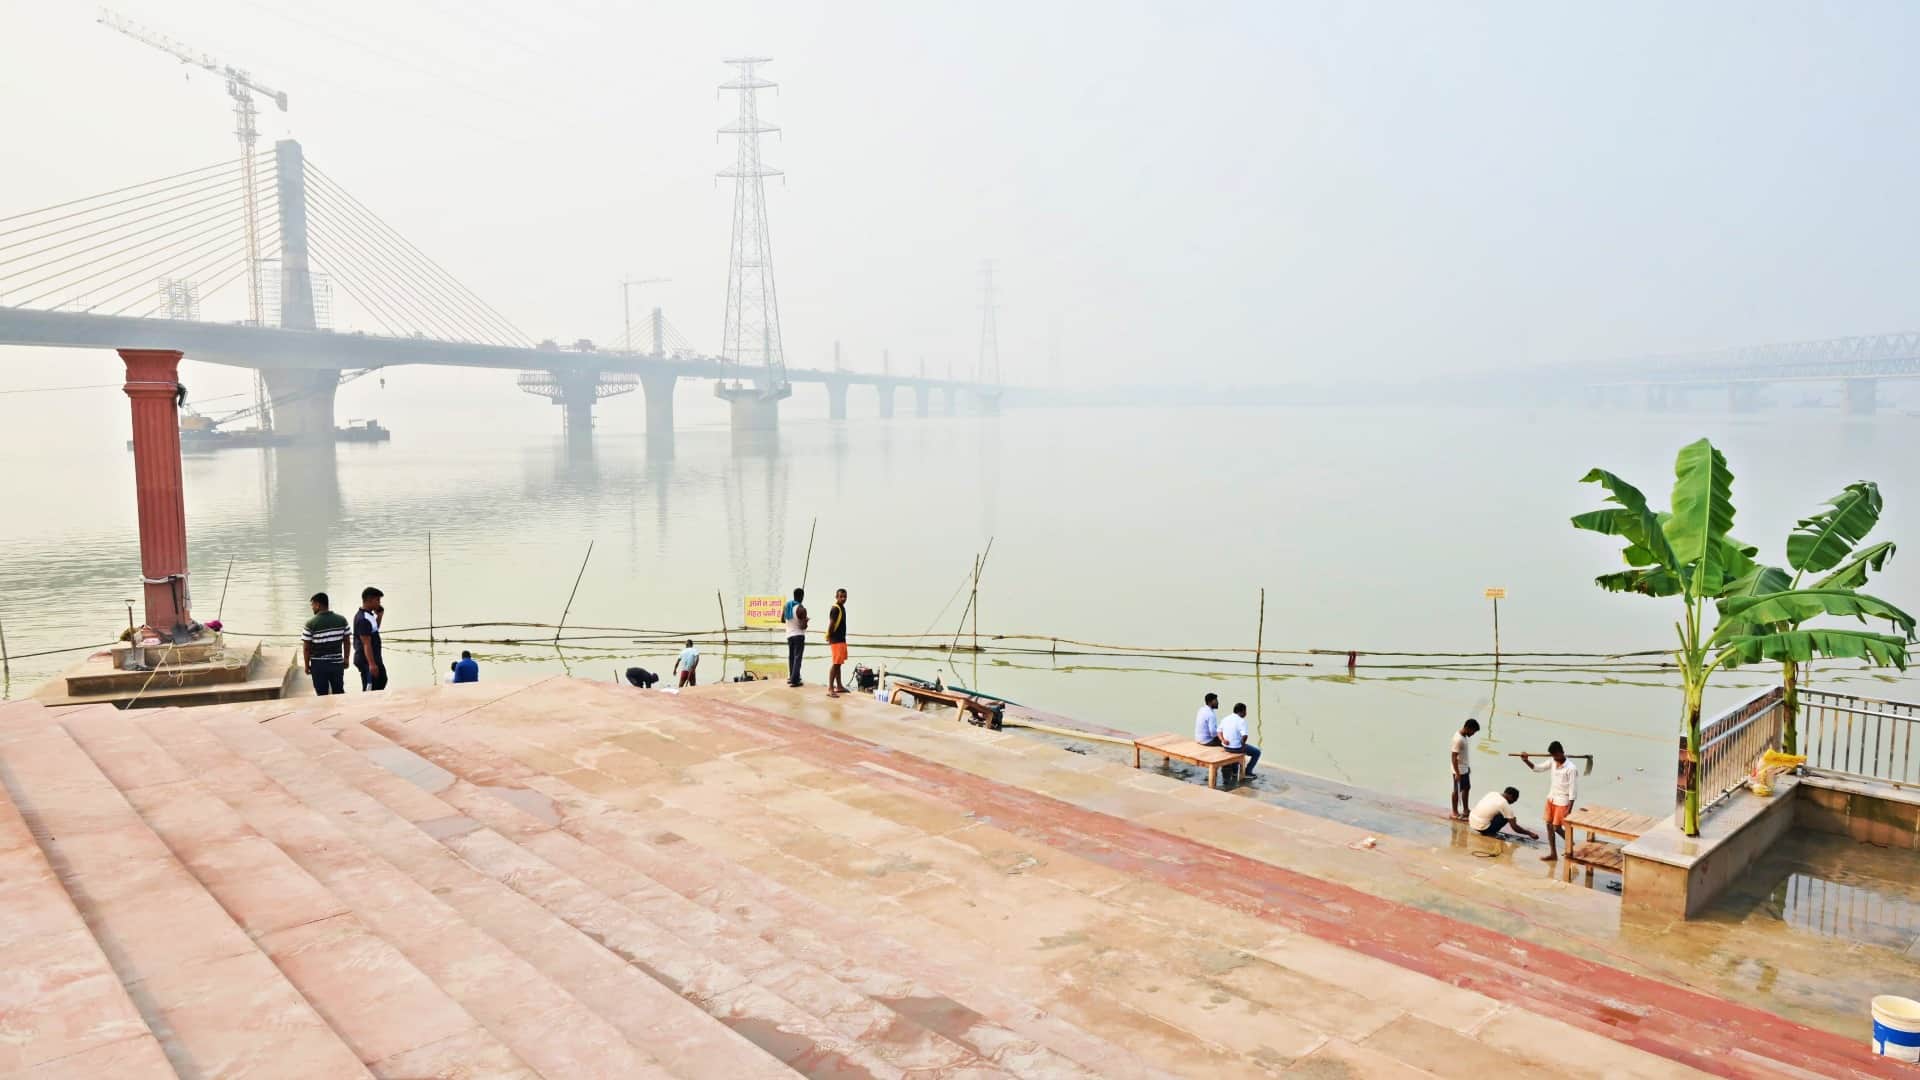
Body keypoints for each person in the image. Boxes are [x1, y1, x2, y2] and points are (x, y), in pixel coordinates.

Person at [1522, 741, 1580, 862]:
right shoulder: (1552, 762)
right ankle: (1553, 853)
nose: (1555, 758)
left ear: (1562, 752)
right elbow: (1537, 769)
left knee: (1557, 828)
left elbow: (1573, 790)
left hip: (1563, 801)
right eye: (1553, 756)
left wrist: (1569, 809)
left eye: (1556, 755)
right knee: (1549, 826)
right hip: (1551, 798)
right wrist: (1526, 761)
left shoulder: (1571, 768)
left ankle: (1573, 845)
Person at [301, 592, 350, 696]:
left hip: (318, 666)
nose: (312, 608)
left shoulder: (310, 624)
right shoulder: (342, 620)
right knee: (338, 692)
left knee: (321, 695)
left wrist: (306, 665)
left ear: (318, 605)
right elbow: (347, 642)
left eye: (313, 605)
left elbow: (306, 649)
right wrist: (346, 659)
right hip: (337, 663)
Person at [1468, 786, 1540, 841]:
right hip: (1481, 827)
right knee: (1506, 817)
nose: (1513, 803)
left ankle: (1487, 827)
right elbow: (1515, 828)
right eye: (1514, 800)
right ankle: (1490, 833)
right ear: (1511, 796)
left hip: (1471, 821)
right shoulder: (1504, 804)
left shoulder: (1492, 793)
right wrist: (1530, 833)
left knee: (1504, 814)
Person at [352, 586, 386, 692]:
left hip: (374, 657)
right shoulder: (363, 619)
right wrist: (372, 664)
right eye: (377, 600)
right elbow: (366, 643)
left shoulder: (369, 615)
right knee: (371, 688)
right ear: (369, 600)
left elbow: (374, 629)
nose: (379, 603)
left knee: (382, 680)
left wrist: (379, 616)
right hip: (366, 660)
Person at [1220, 702, 1261, 782]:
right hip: (1235, 748)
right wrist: (1242, 744)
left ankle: (1235, 772)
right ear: (1241, 711)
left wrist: (1223, 740)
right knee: (1257, 752)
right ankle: (1248, 772)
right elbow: (1245, 735)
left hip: (1225, 746)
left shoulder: (1226, 718)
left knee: (1237, 746)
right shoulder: (1241, 721)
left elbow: (1219, 731)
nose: (1246, 713)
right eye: (1245, 711)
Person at [1450, 718, 1481, 819]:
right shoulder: (1458, 739)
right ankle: (1454, 812)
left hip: (1464, 768)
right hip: (1459, 770)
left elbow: (1462, 755)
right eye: (1473, 731)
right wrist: (1457, 773)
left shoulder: (1463, 736)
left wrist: (1467, 767)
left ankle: (1466, 810)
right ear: (1468, 728)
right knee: (1456, 791)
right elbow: (1454, 757)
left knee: (1467, 788)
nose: (1473, 734)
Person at [783, 588, 809, 687]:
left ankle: (791, 677)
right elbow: (802, 626)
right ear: (802, 596)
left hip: (789, 635)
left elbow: (782, 619)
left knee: (791, 657)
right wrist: (806, 620)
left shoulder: (786, 606)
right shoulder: (801, 609)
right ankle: (795, 680)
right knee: (798, 657)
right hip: (799, 635)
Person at [826, 588, 849, 698]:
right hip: (836, 640)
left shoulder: (842, 608)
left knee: (839, 663)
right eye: (841, 596)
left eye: (845, 596)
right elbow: (831, 624)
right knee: (835, 664)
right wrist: (829, 637)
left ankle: (839, 686)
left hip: (841, 639)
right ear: (836, 597)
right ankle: (830, 688)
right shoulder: (835, 609)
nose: (843, 598)